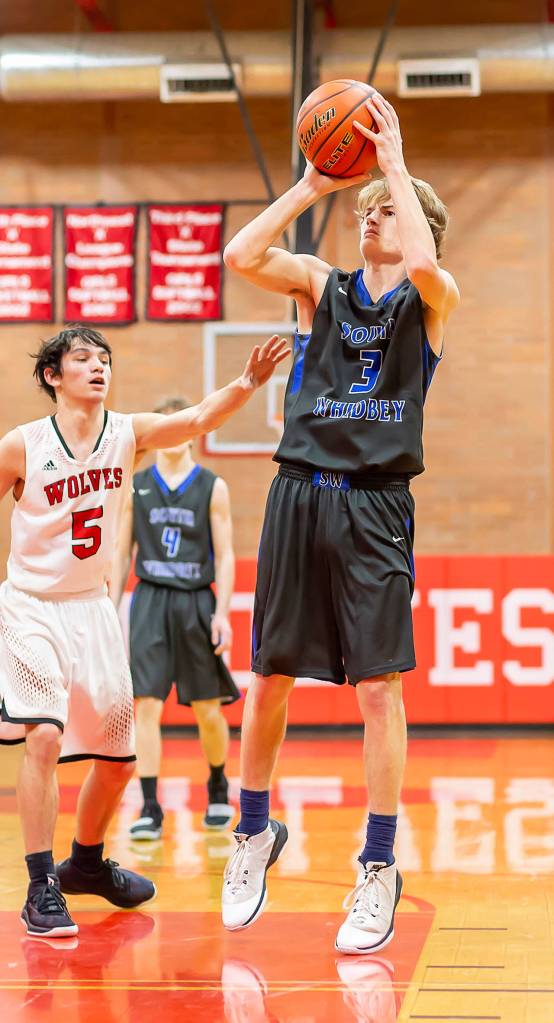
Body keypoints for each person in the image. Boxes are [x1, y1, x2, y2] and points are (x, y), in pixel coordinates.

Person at [220, 93, 460, 953]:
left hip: (375, 502)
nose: (369, 219)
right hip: (298, 493)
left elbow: (430, 269)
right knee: (270, 678)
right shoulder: (322, 287)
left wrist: (397, 165)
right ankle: (251, 832)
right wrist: (313, 184)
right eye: (364, 211)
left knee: (379, 687)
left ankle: (379, 861)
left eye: (385, 210)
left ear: (420, 221)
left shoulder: (431, 299)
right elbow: (241, 253)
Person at [0, 324, 288, 939]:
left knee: (118, 762)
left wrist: (246, 384)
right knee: (45, 739)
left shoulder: (127, 434)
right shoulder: (21, 446)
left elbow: (196, 419)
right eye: (83, 359)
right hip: (31, 606)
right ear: (53, 376)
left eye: (105, 359)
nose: (98, 367)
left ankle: (85, 863)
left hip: (94, 608)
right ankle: (39, 886)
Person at [112, 397, 240, 840]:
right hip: (149, 599)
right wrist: (110, 606)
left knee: (208, 708)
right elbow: (120, 551)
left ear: (192, 431)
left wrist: (222, 612)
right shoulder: (137, 484)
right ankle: (149, 805)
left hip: (195, 602)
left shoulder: (212, 486)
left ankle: (219, 786)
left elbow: (224, 555)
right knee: (144, 704)